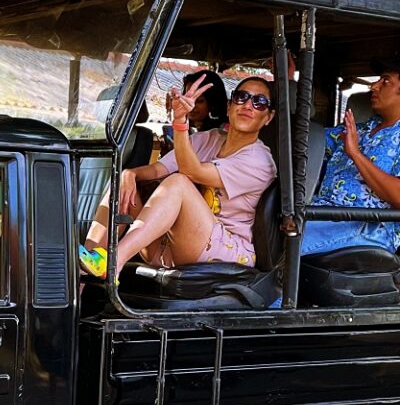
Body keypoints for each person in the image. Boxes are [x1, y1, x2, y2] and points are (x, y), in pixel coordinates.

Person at [79, 76, 276, 276]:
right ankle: (84, 276)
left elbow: (191, 172)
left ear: (268, 117)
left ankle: (114, 261)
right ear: (229, 107)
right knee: (122, 183)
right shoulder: (208, 139)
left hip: (226, 252)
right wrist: (130, 174)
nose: (249, 105)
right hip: (175, 244)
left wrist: (180, 122)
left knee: (179, 183)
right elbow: (157, 170)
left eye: (260, 102)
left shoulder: (259, 161)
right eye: (242, 97)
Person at [302, 57, 400, 256]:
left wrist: (355, 154)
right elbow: (306, 142)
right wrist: (287, 88)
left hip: (369, 227)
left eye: (385, 81)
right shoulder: (360, 129)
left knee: (281, 242)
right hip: (321, 214)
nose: (373, 86)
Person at [159, 68, 228, 156]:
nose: (192, 105)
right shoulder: (187, 129)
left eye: (199, 100)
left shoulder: (220, 135)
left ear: (213, 102)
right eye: (188, 98)